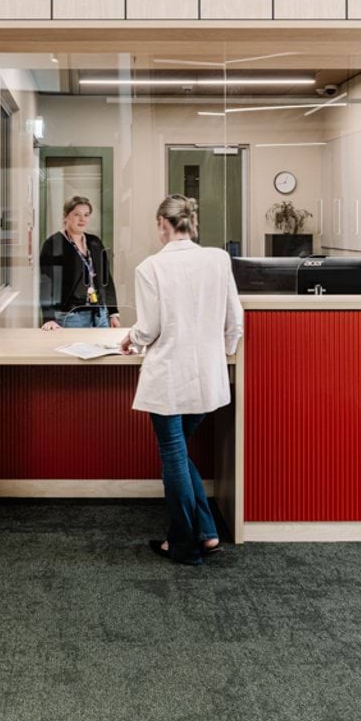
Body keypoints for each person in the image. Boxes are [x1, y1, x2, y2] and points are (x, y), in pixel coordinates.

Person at [120, 194, 243, 565]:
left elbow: (151, 327)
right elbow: (234, 321)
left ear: (162, 223)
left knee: (173, 455)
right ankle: (206, 534)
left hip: (169, 377)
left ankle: (183, 543)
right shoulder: (218, 260)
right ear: (191, 223)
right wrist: (219, 353)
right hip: (208, 378)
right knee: (178, 451)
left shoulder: (151, 268)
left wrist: (132, 339)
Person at [39, 196, 120, 329]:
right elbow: (46, 282)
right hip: (71, 317)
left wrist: (113, 312)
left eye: (86, 215)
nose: (82, 219)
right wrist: (48, 318)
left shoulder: (95, 242)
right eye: (77, 214)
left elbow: (107, 279)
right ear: (66, 216)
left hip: (100, 315)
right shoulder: (54, 244)